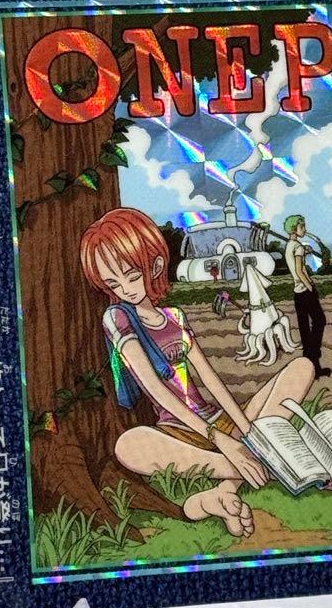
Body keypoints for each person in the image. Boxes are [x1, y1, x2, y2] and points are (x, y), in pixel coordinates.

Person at [79, 208, 315, 537]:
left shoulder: (174, 317)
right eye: (113, 283)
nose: (125, 289)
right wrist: (220, 440)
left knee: (302, 368)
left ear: (155, 266)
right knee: (128, 445)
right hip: (178, 432)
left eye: (132, 275)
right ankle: (256, 468)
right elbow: (155, 389)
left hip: (218, 420)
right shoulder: (117, 318)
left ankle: (218, 496)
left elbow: (210, 381)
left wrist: (248, 433)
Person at [283, 214, 330, 379]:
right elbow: (299, 270)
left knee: (304, 328)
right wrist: (310, 286)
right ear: (293, 229)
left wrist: (305, 252)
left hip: (297, 293)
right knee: (320, 321)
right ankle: (313, 356)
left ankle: (311, 366)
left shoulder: (290, 246)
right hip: (305, 290)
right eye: (301, 226)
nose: (304, 229)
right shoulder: (298, 247)